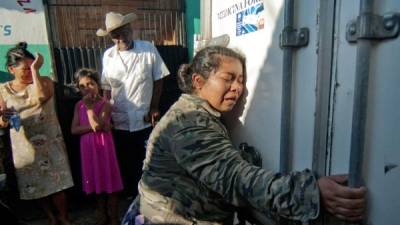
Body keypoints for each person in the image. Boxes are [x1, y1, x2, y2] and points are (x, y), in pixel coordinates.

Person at [122, 46, 366, 224]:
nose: (237, 88)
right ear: (198, 81)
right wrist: (311, 192)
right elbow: (233, 179)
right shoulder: (188, 123)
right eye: (228, 79)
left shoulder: (200, 114)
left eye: (241, 80)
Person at [96, 11, 170, 198]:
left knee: (147, 159)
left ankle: (149, 195)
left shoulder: (148, 49)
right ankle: (131, 197)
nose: (120, 38)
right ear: (110, 37)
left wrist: (154, 106)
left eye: (123, 33)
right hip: (119, 118)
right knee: (125, 160)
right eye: (115, 36)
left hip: (144, 117)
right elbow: (106, 88)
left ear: (130, 29)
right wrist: (105, 115)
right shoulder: (108, 56)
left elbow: (158, 79)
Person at [0, 42, 74, 225]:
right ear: (11, 69)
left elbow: (40, 97)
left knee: (58, 183)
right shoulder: (3, 90)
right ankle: (50, 217)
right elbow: (1, 122)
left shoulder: (44, 81)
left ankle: (63, 217)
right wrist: (3, 117)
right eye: (25, 68)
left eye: (32, 66)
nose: (30, 71)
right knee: (36, 184)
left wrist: (35, 71)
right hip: (25, 146)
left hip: (50, 140)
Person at [70, 68, 124, 225]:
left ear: (98, 85)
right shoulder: (78, 105)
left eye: (91, 83)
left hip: (104, 148)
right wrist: (100, 125)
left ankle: (113, 217)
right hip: (87, 149)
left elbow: (96, 126)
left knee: (110, 182)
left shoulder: (105, 104)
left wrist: (90, 109)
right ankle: (102, 215)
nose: (87, 88)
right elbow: (74, 130)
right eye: (82, 86)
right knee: (96, 182)